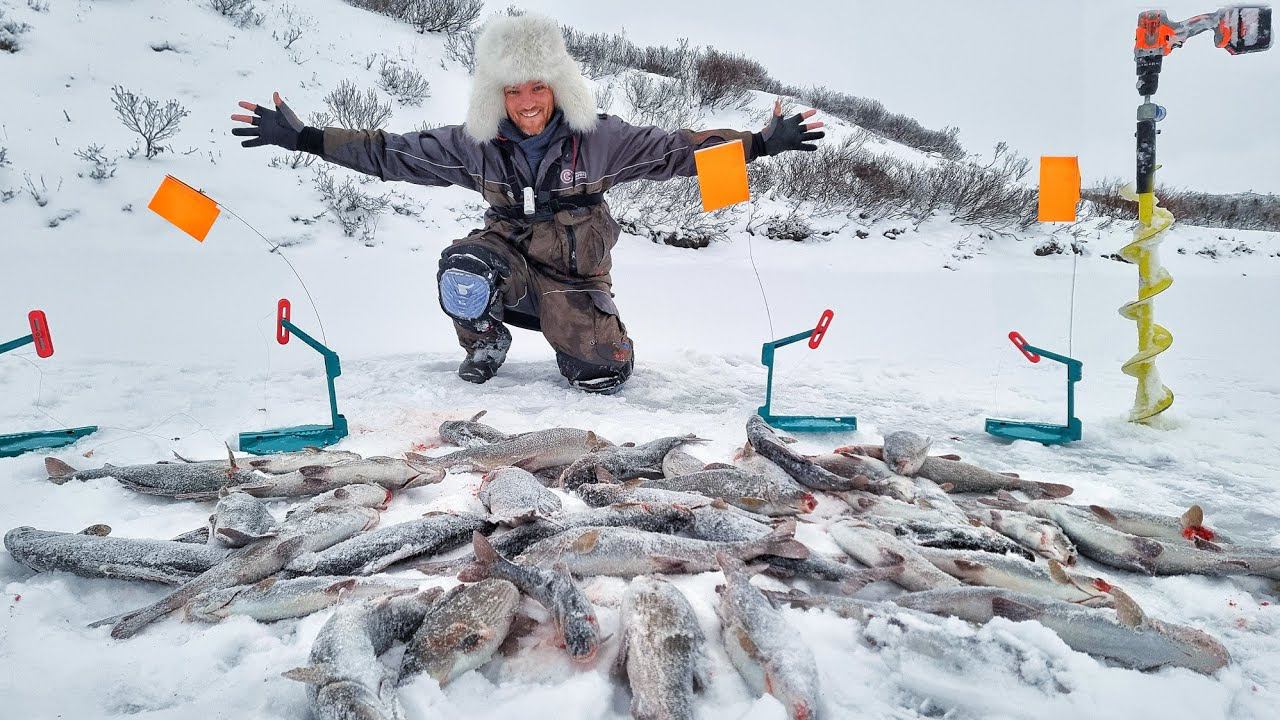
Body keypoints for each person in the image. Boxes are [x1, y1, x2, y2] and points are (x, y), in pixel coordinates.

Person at [231, 14, 823, 393]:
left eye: (536, 86)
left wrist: (760, 145)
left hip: (573, 277)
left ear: (558, 87)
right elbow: (391, 153)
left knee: (600, 377)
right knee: (463, 267)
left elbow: (677, 152)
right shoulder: (474, 145)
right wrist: (307, 139)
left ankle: (588, 342)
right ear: (497, 95)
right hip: (508, 263)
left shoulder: (602, 140)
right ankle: (487, 339)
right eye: (512, 90)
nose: (526, 101)